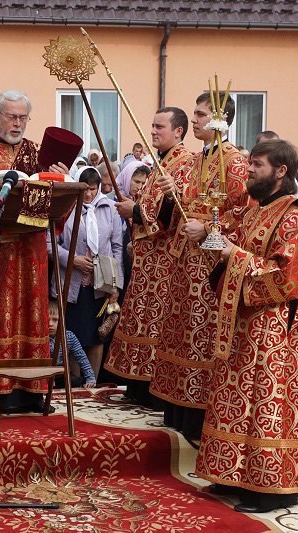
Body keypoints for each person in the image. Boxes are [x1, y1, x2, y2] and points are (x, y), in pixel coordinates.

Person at [197, 139, 298, 513]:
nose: (249, 170)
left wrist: (235, 256)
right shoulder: (256, 210)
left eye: (257, 165)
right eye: (249, 163)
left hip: (273, 333)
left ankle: (268, 490)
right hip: (242, 325)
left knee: (264, 405)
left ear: (281, 171)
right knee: (235, 400)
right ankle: (230, 474)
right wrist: (223, 252)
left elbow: (291, 278)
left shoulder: (293, 216)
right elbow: (238, 253)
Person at [0, 89, 68, 413]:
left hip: (31, 251)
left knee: (31, 318)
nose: (17, 123)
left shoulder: (37, 153)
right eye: (11, 117)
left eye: (23, 117)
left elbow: (55, 209)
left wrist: (59, 179)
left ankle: (31, 392)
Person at [147, 92, 250, 439]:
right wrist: (172, 193)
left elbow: (242, 212)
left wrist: (207, 227)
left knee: (201, 336)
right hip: (183, 261)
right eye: (194, 113)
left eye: (201, 114)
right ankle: (176, 411)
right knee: (179, 334)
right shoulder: (195, 160)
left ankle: (196, 416)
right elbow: (184, 206)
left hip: (209, 264)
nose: (194, 120)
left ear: (221, 120)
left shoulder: (234, 162)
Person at [105, 106, 192, 404]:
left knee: (156, 323)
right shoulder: (160, 162)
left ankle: (152, 390)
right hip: (147, 259)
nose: (152, 131)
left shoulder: (184, 164)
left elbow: (176, 213)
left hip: (165, 261)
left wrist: (136, 212)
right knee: (140, 319)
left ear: (178, 131)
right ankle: (137, 386)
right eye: (152, 125)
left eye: (159, 127)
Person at [49, 166, 123, 380]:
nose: (88, 194)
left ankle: (93, 383)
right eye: (84, 189)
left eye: (92, 189)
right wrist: (73, 260)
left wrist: (116, 284)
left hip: (100, 285)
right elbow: (49, 243)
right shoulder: (66, 207)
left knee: (96, 336)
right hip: (71, 283)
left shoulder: (109, 208)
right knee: (72, 335)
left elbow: (117, 247)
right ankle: (74, 380)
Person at [48, 300, 96, 388]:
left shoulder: (69, 336)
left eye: (55, 320)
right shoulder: (38, 337)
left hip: (61, 373)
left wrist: (90, 378)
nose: (50, 324)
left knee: (75, 381)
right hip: (43, 373)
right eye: (47, 320)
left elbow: (82, 357)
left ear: (62, 320)